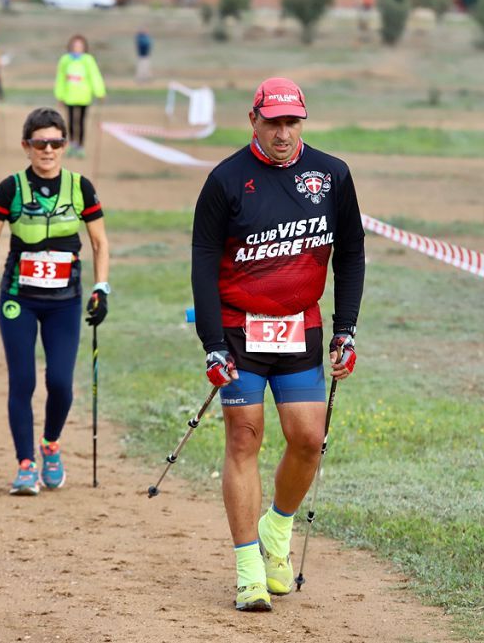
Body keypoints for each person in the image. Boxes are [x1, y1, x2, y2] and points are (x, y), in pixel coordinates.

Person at [190, 77, 365, 612]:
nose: (284, 133)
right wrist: (213, 342)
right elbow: (201, 259)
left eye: (293, 122)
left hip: (302, 327)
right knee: (245, 438)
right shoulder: (225, 181)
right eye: (274, 122)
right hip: (241, 331)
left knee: (308, 439)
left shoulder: (332, 175)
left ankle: (277, 529)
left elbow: (352, 252)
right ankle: (248, 570)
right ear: (254, 121)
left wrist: (346, 328)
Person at [0, 107, 109, 496]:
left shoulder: (80, 187)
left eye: (55, 143)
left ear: (65, 146)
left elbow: (100, 242)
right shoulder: (10, 188)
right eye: (39, 143)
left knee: (61, 384)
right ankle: (25, 465)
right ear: (26, 146)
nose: (47, 150)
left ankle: (50, 444)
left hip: (65, 300)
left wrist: (102, 289)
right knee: (23, 381)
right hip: (19, 298)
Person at [53, 35, 106, 158]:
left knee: (81, 122)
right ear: (71, 47)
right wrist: (59, 95)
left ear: (84, 47)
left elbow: (95, 76)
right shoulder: (65, 60)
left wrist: (100, 92)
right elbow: (60, 78)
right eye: (75, 45)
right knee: (71, 122)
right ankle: (72, 145)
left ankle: (81, 147)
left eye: (80, 46)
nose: (77, 48)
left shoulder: (88, 60)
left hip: (84, 96)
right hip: (69, 96)